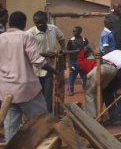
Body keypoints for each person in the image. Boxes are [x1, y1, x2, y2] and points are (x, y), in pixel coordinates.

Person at [0, 11, 53, 139]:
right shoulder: (26, 37)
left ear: (9, 22)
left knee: (11, 130)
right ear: (24, 23)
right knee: (42, 122)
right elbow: (36, 60)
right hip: (27, 89)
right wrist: (54, 71)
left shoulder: (1, 38)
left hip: (6, 90)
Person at [27, 11, 65, 112]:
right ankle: (37, 117)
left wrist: (63, 49)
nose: (39, 25)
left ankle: (48, 117)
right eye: (36, 22)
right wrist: (45, 54)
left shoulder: (53, 28)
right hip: (34, 69)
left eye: (41, 22)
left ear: (46, 21)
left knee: (48, 94)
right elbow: (29, 53)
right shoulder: (30, 33)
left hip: (49, 67)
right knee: (36, 95)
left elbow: (61, 38)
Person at [66, 26, 90, 95]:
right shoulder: (71, 41)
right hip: (74, 61)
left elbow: (88, 50)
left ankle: (86, 89)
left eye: (75, 31)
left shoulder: (84, 40)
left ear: (80, 32)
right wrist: (69, 63)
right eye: (73, 31)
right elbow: (67, 52)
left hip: (83, 62)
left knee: (84, 76)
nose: (73, 32)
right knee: (72, 76)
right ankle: (70, 90)